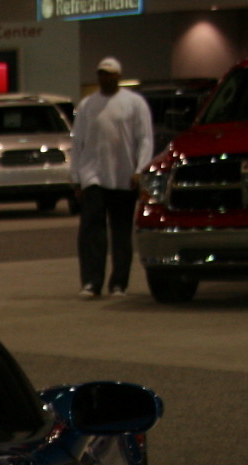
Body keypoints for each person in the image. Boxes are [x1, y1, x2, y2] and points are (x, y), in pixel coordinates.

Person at [70, 57, 153, 298]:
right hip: (92, 175)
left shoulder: (134, 103)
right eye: (100, 74)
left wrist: (140, 169)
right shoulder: (87, 106)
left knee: (120, 232)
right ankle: (91, 282)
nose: (104, 78)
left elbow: (145, 138)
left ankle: (118, 283)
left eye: (108, 74)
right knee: (91, 230)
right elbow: (78, 143)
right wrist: (76, 178)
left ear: (117, 76)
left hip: (123, 176)